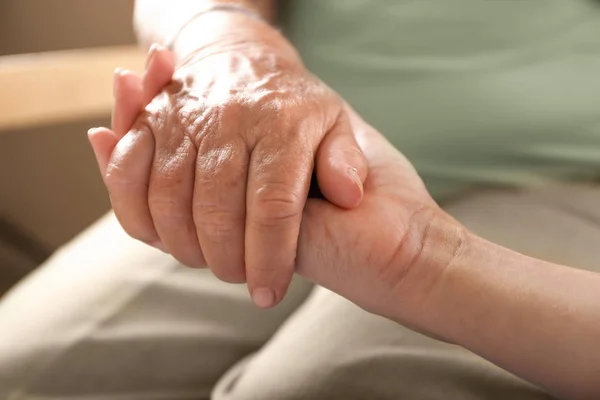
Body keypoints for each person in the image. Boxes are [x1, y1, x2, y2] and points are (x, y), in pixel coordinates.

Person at [1, 1, 600, 399]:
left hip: (553, 176)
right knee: (20, 371)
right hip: (266, 155)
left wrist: (421, 259)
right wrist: (225, 47)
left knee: (309, 390)